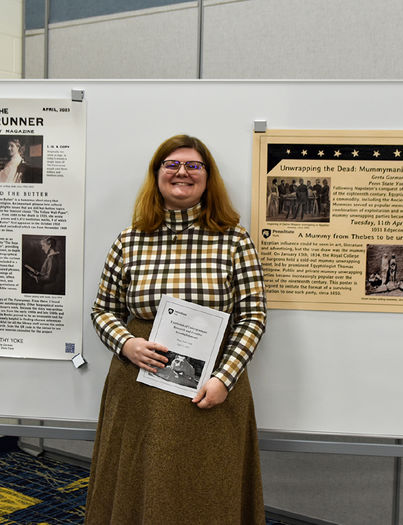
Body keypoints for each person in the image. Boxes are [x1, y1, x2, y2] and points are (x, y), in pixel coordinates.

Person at [85, 135, 267, 524]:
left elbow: (253, 317)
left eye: (193, 165)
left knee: (207, 487)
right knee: (139, 485)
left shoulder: (234, 239)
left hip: (212, 391)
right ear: (157, 175)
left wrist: (224, 379)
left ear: (207, 178)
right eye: (171, 164)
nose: (182, 172)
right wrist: (127, 344)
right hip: (140, 387)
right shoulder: (130, 240)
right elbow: (103, 311)